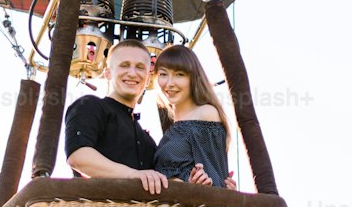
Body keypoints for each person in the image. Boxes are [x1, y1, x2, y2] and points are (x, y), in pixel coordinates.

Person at [64, 39, 171, 194]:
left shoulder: (148, 142)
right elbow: (78, 156)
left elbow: (160, 180)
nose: (132, 73)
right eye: (124, 65)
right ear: (108, 73)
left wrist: (192, 179)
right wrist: (132, 175)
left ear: (148, 79)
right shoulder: (90, 105)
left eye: (140, 68)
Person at [154, 46, 238, 190]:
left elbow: (215, 180)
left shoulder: (205, 114)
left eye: (179, 74)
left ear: (193, 78)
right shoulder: (174, 126)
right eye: (163, 74)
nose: (169, 83)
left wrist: (195, 184)